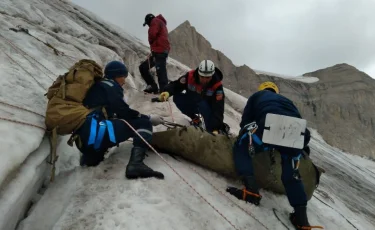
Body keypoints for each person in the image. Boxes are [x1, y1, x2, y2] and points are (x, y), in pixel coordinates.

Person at [227, 81, 313, 229]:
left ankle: (251, 191)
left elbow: (246, 122)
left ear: (262, 89)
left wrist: (246, 138)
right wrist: (300, 149)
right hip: (298, 131)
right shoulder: (287, 101)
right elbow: (299, 128)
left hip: (270, 123)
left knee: (241, 147)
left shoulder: (257, 96)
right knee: (291, 169)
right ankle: (301, 217)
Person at [74, 60, 165, 179]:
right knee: (143, 123)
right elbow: (124, 112)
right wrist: (147, 117)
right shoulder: (110, 86)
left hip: (84, 138)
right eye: (123, 76)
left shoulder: (98, 87)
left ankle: (87, 163)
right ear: (116, 75)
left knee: (92, 162)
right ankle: (136, 164)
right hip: (98, 132)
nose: (124, 80)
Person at [158, 60, 228, 134]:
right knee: (177, 98)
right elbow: (176, 85)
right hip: (193, 103)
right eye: (202, 77)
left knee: (203, 105)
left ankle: (211, 129)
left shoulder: (217, 86)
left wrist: (215, 128)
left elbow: (218, 108)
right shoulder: (190, 76)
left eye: (208, 77)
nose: (204, 80)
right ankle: (195, 119)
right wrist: (167, 92)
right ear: (198, 74)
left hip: (208, 109)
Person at [139, 13, 170, 94]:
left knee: (161, 71)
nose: (148, 26)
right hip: (159, 51)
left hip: (160, 51)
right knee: (143, 67)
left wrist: (151, 41)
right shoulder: (160, 23)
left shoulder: (155, 21)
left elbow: (152, 34)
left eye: (148, 24)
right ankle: (153, 86)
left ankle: (164, 92)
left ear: (149, 19)